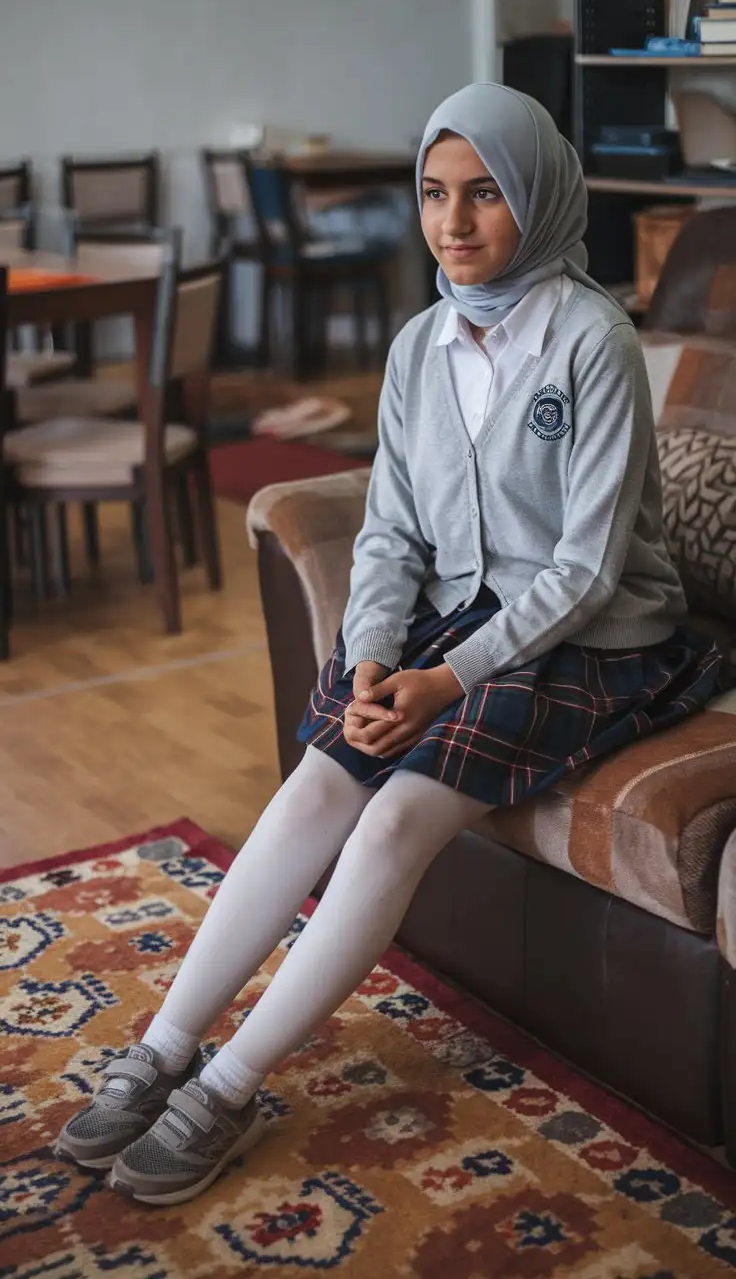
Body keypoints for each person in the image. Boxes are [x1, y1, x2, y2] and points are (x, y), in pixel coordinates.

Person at [55, 83, 721, 1205]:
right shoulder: (419, 345)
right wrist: (371, 652)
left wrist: (441, 679)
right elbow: (395, 527)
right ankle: (164, 1046)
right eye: (432, 193)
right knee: (316, 783)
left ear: (539, 199)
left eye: (484, 196)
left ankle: (226, 1084)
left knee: (398, 815)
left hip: (593, 639)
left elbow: (584, 571)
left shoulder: (592, 342)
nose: (452, 224)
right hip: (457, 619)